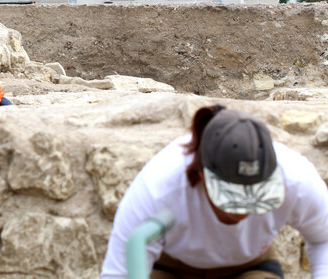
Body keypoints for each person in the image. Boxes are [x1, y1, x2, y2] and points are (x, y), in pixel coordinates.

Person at [100, 106, 328, 279]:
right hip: (171, 267)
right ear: (202, 176)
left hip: (249, 266)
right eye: (232, 200)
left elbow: (324, 239)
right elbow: (117, 273)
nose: (243, 212)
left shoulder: (296, 180)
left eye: (256, 198)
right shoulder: (158, 187)